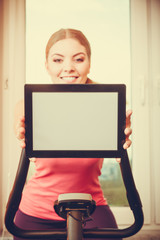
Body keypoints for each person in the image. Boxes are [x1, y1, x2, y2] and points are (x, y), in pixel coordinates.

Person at [14, 28, 132, 240]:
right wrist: (21, 130)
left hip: (91, 208)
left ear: (89, 63)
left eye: (78, 59)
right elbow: (19, 122)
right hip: (36, 211)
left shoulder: (106, 106)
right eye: (58, 60)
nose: (68, 68)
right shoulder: (29, 105)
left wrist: (121, 138)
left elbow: (120, 140)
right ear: (47, 65)